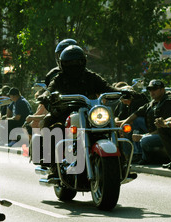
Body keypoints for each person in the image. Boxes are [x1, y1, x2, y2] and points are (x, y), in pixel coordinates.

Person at [39, 45, 119, 176]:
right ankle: (55, 166)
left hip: (89, 113)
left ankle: (121, 162)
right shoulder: (59, 78)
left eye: (76, 62)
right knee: (55, 130)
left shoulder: (91, 77)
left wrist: (125, 91)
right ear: (62, 64)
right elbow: (50, 88)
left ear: (83, 62)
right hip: (66, 113)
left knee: (111, 128)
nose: (73, 66)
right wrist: (45, 94)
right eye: (69, 63)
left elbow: (107, 87)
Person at [120, 79, 171, 165]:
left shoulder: (169, 102)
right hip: (154, 132)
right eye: (150, 89)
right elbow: (137, 113)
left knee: (145, 140)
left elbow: (164, 128)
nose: (152, 92)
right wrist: (123, 125)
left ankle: (145, 158)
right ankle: (132, 155)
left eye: (154, 89)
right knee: (134, 121)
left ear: (162, 90)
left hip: (166, 135)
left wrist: (143, 136)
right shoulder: (153, 102)